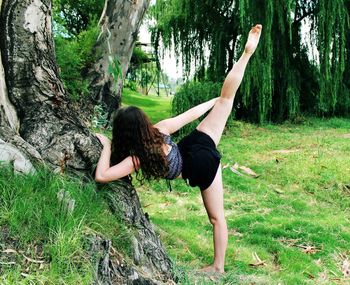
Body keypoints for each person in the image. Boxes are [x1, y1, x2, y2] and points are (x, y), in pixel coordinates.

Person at [95, 24, 262, 273]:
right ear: (143, 124)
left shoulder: (137, 158)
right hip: (194, 144)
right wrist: (217, 101)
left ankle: (218, 267)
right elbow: (190, 114)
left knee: (217, 218)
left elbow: (101, 176)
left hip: (199, 163)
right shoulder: (159, 130)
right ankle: (247, 54)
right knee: (228, 97)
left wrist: (106, 146)